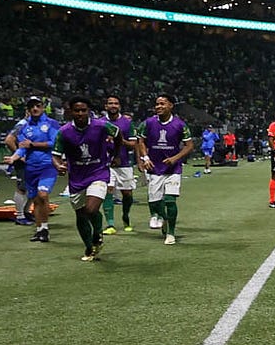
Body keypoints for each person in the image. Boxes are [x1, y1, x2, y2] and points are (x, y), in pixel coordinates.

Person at [51, 96, 122, 262]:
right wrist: (58, 165)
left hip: (98, 173)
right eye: (77, 110)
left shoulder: (101, 125)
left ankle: (97, 234)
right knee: (81, 215)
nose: (80, 113)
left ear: (89, 111)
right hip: (76, 178)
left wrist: (116, 154)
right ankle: (89, 246)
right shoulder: (64, 132)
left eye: (84, 110)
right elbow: (54, 155)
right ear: (70, 112)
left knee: (91, 209)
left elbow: (119, 135)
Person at [135, 94, 195, 244]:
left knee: (170, 200)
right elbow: (140, 141)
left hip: (173, 169)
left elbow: (189, 145)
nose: (159, 107)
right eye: (157, 104)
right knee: (155, 202)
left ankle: (171, 233)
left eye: (162, 104)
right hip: (154, 168)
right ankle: (164, 219)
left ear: (170, 106)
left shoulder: (180, 125)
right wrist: (145, 158)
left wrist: (175, 158)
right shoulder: (148, 123)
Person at [3, 96, 61, 242]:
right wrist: (14, 158)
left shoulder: (51, 123)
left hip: (48, 166)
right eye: (32, 106)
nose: (35, 109)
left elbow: (54, 142)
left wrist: (33, 145)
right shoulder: (24, 127)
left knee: (43, 195)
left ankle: (45, 228)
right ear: (28, 109)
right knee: (36, 199)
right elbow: (23, 148)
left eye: (38, 106)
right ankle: (40, 230)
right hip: (31, 168)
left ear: (42, 107)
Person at [101, 95, 140, 233]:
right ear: (106, 106)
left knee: (127, 194)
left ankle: (125, 216)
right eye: (110, 103)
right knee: (108, 191)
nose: (113, 106)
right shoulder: (99, 123)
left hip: (124, 163)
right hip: (106, 163)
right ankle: (110, 224)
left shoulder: (126, 123)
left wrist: (120, 140)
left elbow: (133, 144)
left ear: (119, 106)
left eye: (116, 103)